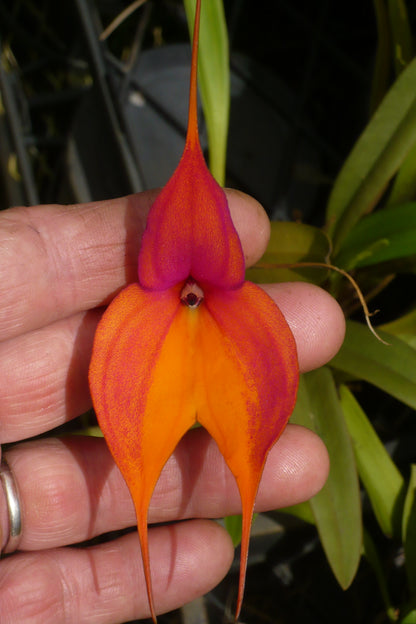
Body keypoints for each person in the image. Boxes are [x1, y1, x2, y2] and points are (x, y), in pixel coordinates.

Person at [0, 188, 345, 623]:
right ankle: (149, 525)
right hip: (153, 323)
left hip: (203, 325)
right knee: (141, 484)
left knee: (248, 462)